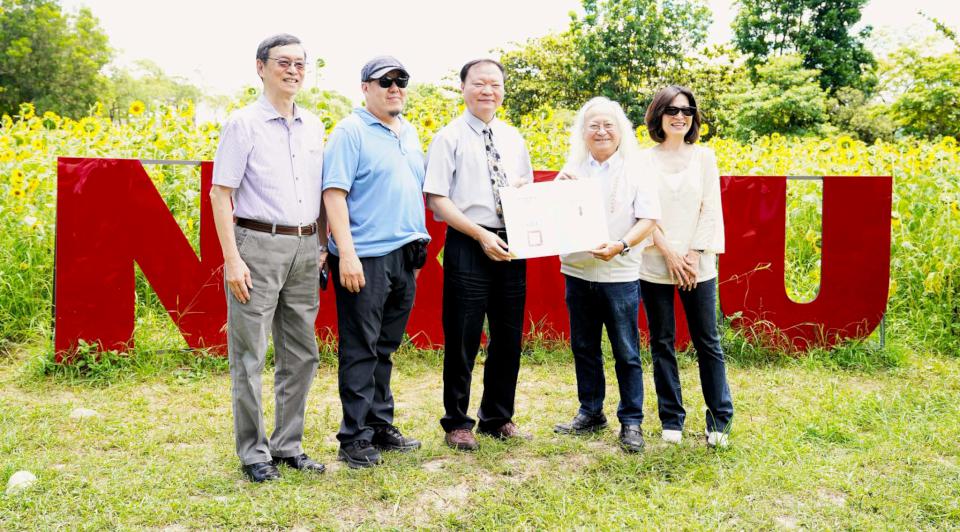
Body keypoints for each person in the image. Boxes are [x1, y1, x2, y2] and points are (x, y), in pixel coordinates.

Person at [210, 34, 326, 482]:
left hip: (305, 248)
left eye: (300, 63)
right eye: (284, 62)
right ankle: (254, 453)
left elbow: (320, 193)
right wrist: (233, 259)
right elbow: (222, 194)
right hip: (256, 246)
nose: (293, 70)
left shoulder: (315, 125)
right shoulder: (244, 124)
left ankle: (287, 445)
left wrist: (320, 244)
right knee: (250, 355)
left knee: (302, 354)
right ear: (261, 67)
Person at [322, 56, 430, 468]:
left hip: (404, 257)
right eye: (385, 80)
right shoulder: (351, 131)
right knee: (360, 348)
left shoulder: (409, 132)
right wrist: (345, 253)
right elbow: (334, 194)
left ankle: (380, 424)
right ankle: (353, 437)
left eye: (401, 79)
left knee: (385, 347)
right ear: (365, 87)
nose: (395, 87)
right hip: (363, 257)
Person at [424, 59, 533, 451]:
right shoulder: (448, 137)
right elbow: (438, 199)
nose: (488, 91)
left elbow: (524, 189)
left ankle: (498, 417)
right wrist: (481, 234)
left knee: (508, 335)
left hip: (511, 244)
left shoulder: (513, 137)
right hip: (469, 242)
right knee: (463, 335)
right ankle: (457, 422)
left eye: (496, 84)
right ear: (464, 88)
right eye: (480, 84)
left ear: (504, 90)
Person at [551, 97, 661, 453]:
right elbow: (553, 219)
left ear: (621, 132)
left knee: (626, 350)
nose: (601, 131)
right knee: (584, 347)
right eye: (593, 125)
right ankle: (591, 412)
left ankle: (632, 421)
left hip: (620, 273)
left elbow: (649, 220)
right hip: (578, 271)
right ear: (583, 133)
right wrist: (557, 188)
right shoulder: (572, 169)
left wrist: (621, 245)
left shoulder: (636, 168)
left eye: (608, 125)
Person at [638, 85, 734, 448]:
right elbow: (643, 211)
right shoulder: (643, 160)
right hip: (655, 262)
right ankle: (671, 419)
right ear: (658, 114)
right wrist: (669, 253)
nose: (680, 116)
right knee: (661, 342)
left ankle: (719, 421)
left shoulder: (704, 157)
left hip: (698, 265)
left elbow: (710, 207)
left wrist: (692, 253)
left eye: (687, 111)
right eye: (672, 110)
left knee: (707, 341)